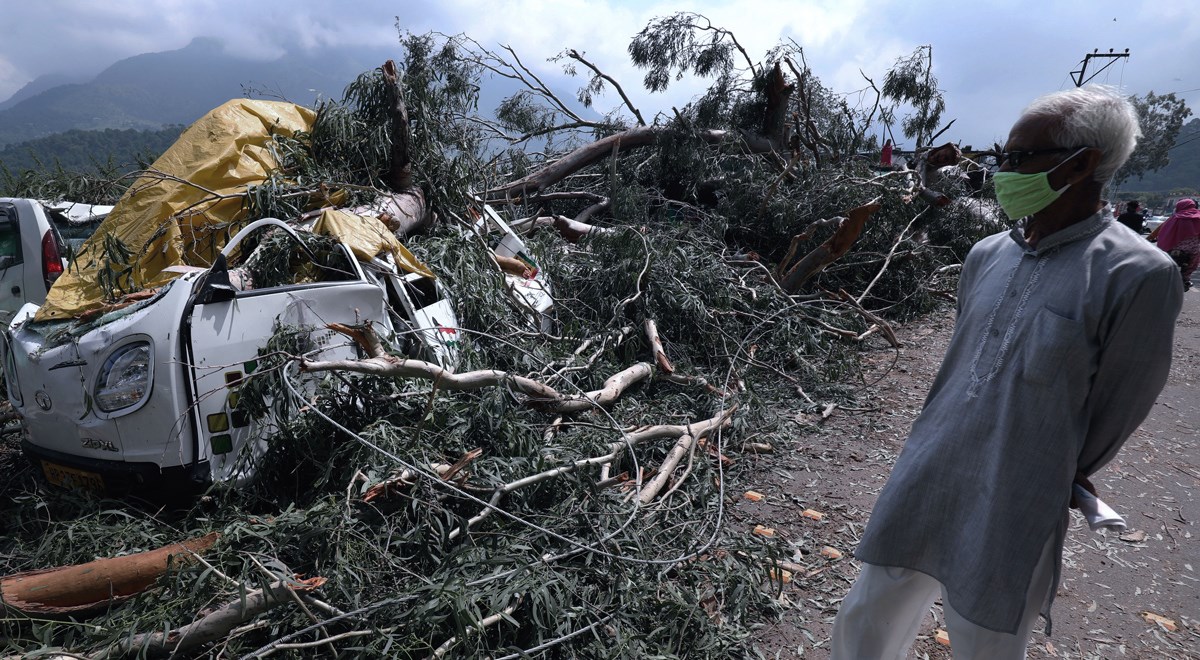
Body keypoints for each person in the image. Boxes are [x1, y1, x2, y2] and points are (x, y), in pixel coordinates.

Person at [831, 85, 1183, 659]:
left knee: (987, 634)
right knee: (870, 611)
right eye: (1003, 156)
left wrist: (1061, 465)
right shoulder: (987, 254)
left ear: (1083, 163)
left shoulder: (1138, 274)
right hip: (932, 461)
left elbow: (1123, 403)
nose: (1002, 171)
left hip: (1019, 484)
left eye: (1019, 159)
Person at [1152, 198, 1200, 290]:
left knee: (1162, 256)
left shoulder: (1174, 218)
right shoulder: (1198, 217)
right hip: (1191, 249)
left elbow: (1163, 233)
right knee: (1195, 259)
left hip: (1172, 246)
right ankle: (1186, 276)